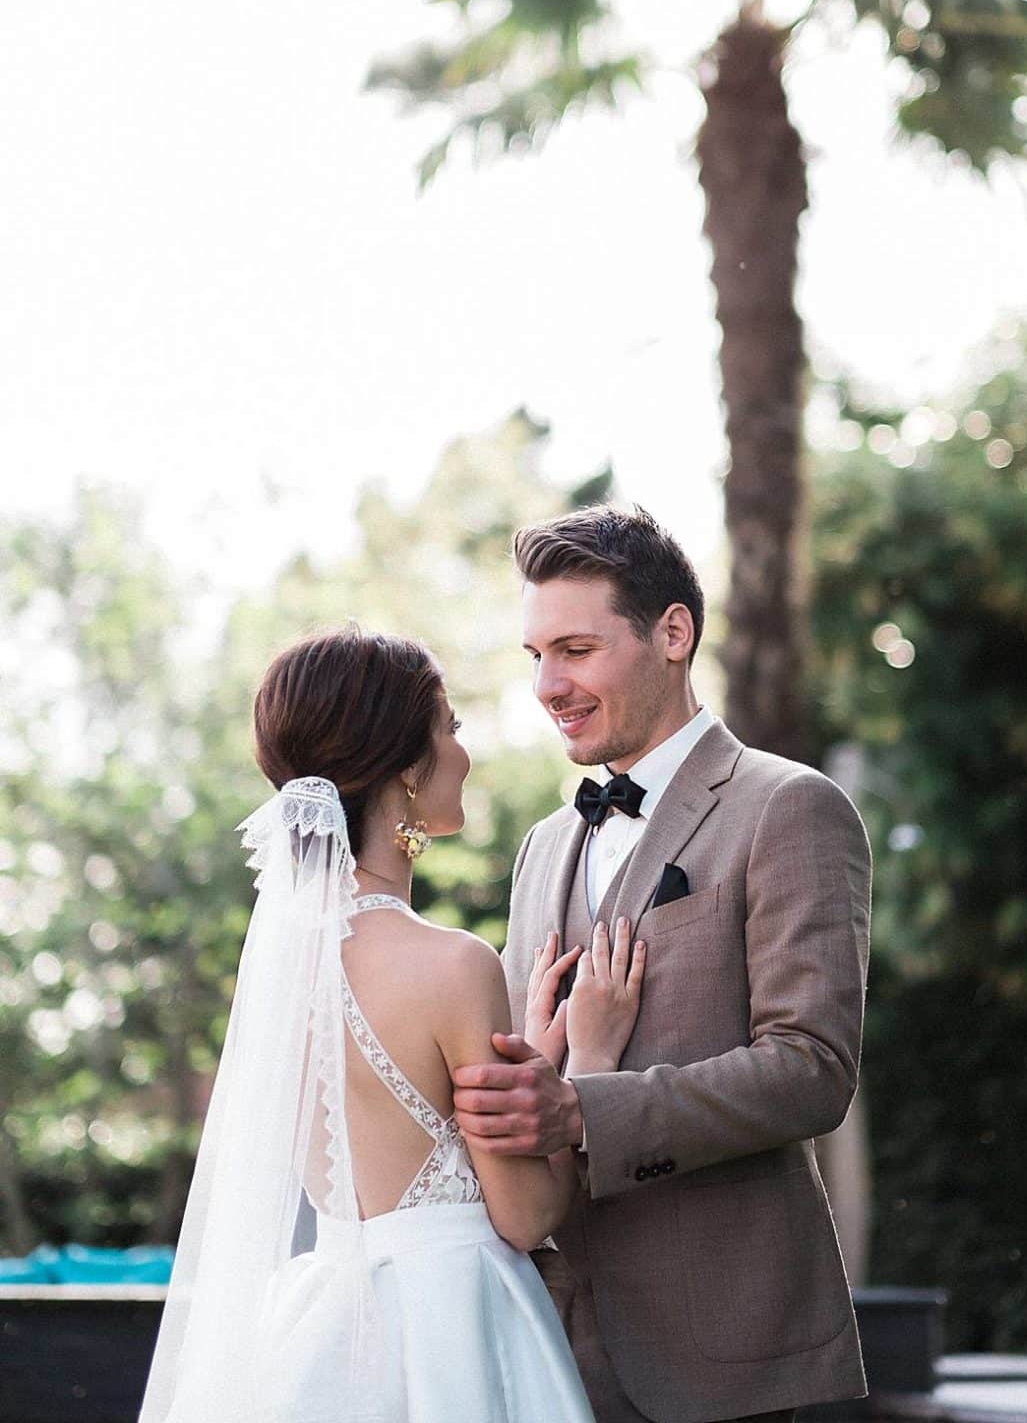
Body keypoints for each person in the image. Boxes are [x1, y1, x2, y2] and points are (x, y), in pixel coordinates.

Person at [140, 624, 643, 1423]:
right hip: (455, 1331)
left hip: (333, 1331)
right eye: (452, 728)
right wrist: (590, 1059)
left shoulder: (288, 968)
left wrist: (533, 1064)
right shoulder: (451, 964)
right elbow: (525, 1214)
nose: (463, 753)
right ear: (409, 767)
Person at [452, 506, 873, 1423]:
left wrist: (582, 1107)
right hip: (547, 1344)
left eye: (576, 649)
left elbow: (812, 1070)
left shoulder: (789, 806)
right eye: (535, 657)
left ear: (673, 632)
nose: (548, 685)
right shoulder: (539, 847)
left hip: (722, 1353)